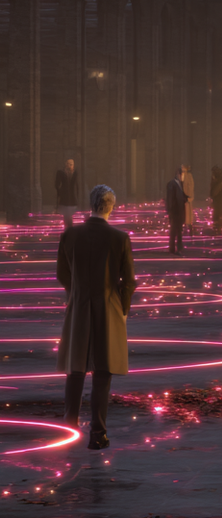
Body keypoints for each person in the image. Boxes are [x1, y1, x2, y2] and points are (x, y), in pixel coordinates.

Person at [57, 185, 136, 450]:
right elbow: (129, 281)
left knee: (76, 368)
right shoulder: (119, 238)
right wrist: (122, 309)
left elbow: (62, 274)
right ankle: (98, 433)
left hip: (79, 306)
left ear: (90, 204)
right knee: (103, 370)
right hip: (108, 307)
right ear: (111, 205)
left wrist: (75, 292)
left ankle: (69, 428)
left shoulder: (70, 235)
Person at [165, 167, 189, 256]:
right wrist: (170, 210)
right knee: (174, 231)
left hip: (179, 211)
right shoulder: (172, 184)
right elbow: (170, 198)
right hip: (175, 211)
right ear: (178, 174)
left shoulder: (180, 184)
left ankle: (179, 247)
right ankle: (172, 248)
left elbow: (180, 196)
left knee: (179, 230)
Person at [55, 159, 80, 230]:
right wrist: (60, 192)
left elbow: (77, 185)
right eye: (68, 164)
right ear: (65, 164)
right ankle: (68, 229)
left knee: (69, 215)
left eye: (71, 164)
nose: (70, 166)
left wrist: (77, 196)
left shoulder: (75, 173)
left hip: (72, 198)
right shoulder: (61, 173)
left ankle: (69, 229)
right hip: (64, 198)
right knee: (66, 215)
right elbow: (57, 184)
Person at [181, 165, 196, 237]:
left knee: (188, 215)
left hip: (187, 198)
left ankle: (190, 229)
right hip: (182, 198)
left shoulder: (189, 176)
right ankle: (183, 228)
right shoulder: (181, 176)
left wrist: (189, 196)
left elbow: (190, 186)